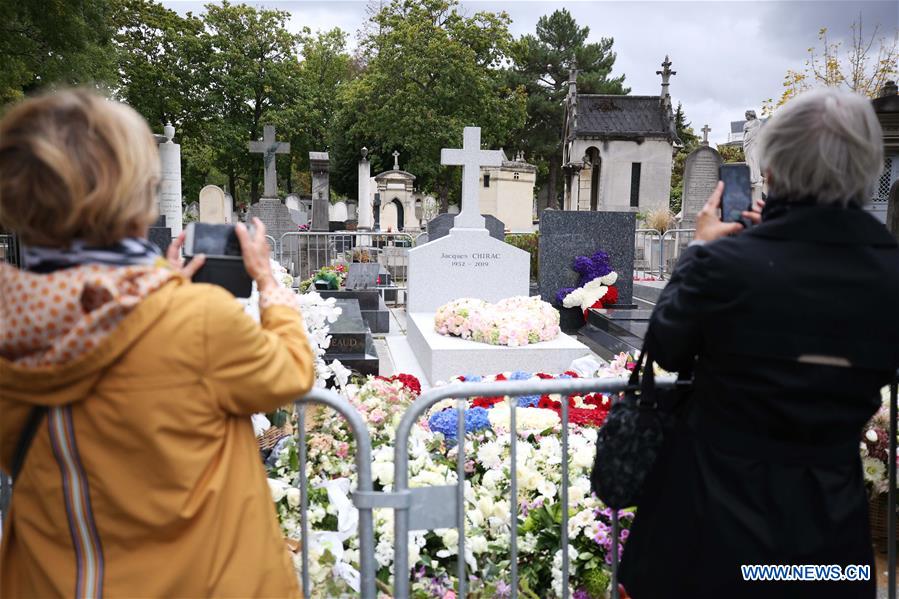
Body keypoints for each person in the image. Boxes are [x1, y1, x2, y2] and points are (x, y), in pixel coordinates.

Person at [0, 90, 315, 596]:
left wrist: (154, 283)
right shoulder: (198, 321)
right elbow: (291, 372)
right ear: (138, 193)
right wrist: (269, 286)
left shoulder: (11, 323)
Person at [619, 87, 899, 598]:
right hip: (830, 524)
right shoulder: (889, 273)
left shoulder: (724, 264)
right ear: (866, 167)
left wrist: (701, 251)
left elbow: (668, 347)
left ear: (772, 168)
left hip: (711, 519)